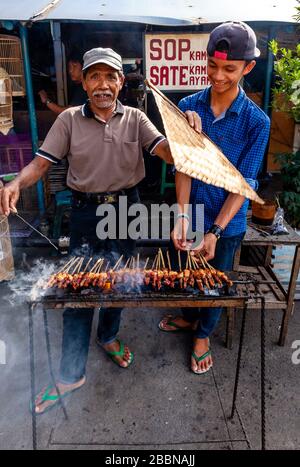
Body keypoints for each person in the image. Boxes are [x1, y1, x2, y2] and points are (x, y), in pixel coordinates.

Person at [0, 47, 200, 414]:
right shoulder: (69, 121)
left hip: (127, 210)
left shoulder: (137, 118)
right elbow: (40, 164)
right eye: (95, 76)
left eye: (111, 77)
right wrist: (15, 185)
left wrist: (184, 135)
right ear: (84, 81)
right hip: (86, 213)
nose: (103, 84)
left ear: (121, 83)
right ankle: (69, 374)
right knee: (79, 288)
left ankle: (108, 336)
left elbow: (167, 152)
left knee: (121, 281)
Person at [159, 22, 271, 375]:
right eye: (211, 65)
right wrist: (181, 216)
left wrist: (216, 231)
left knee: (216, 279)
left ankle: (203, 334)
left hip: (227, 221)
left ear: (248, 67)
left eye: (229, 69)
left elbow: (244, 182)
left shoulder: (257, 122)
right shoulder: (189, 106)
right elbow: (184, 168)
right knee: (186, 272)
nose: (217, 75)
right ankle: (190, 319)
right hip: (191, 212)